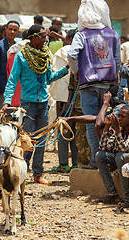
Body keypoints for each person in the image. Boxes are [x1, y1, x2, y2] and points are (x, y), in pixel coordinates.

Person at [2, 24, 69, 184]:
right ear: (33, 38)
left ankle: (38, 173)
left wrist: (64, 70)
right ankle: (21, 168)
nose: (45, 40)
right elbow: (12, 81)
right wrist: (7, 101)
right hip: (28, 104)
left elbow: (48, 78)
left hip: (43, 103)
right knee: (25, 139)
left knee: (42, 139)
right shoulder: (21, 57)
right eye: (43, 37)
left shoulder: (45, 56)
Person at [68, 0, 121, 169]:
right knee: (107, 122)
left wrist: (76, 72)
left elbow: (71, 54)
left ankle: (95, 161)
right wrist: (115, 78)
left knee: (92, 124)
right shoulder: (113, 34)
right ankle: (107, 159)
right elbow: (118, 60)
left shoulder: (81, 35)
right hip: (108, 86)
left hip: (88, 86)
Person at [96, 104, 129, 206]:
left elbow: (125, 148)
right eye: (118, 116)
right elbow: (103, 147)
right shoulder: (121, 127)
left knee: (120, 156)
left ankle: (127, 198)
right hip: (119, 157)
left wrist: (116, 129)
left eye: (122, 117)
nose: (119, 119)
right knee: (99, 155)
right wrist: (107, 127)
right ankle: (113, 194)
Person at [49, 29, 78, 172]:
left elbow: (59, 78)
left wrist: (59, 99)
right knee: (76, 132)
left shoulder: (61, 53)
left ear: (69, 39)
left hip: (64, 100)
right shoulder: (82, 52)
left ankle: (63, 164)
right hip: (79, 99)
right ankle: (77, 163)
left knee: (63, 132)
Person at [0, 20, 20, 109]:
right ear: (6, 30)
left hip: (15, 90)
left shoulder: (18, 47)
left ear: (18, 32)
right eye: (10, 29)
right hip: (2, 89)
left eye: (15, 30)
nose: (12, 32)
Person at [6, 30, 29, 107]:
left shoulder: (12, 51)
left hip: (14, 92)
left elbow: (8, 71)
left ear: (22, 38)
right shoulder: (36, 52)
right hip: (29, 94)